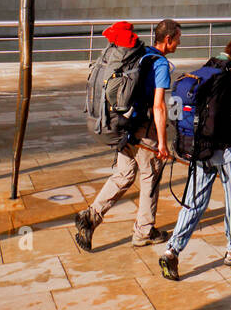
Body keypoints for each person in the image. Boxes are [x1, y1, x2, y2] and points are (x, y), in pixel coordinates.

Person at [75, 18, 181, 250]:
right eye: (177, 40)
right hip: (146, 131)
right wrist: (162, 143)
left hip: (125, 126)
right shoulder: (160, 64)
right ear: (168, 39)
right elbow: (159, 106)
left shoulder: (139, 55)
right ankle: (144, 232)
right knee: (149, 178)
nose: (178, 44)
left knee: (123, 175)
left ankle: (90, 217)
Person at [159, 34, 231, 281]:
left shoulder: (205, 69)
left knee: (194, 202)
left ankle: (172, 250)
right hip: (227, 149)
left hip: (198, 147)